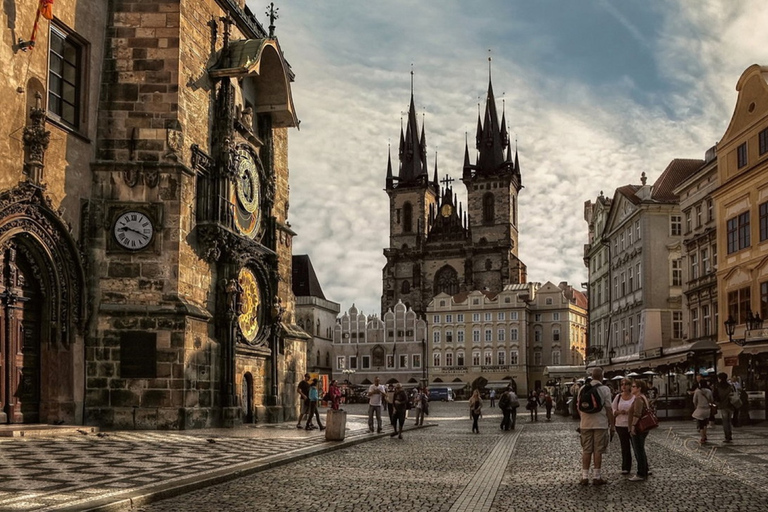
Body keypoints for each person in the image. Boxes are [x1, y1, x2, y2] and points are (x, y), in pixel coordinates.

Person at [577, 367, 615, 486]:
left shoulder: (583, 388)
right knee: (598, 450)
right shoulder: (605, 389)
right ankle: (597, 477)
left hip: (585, 424)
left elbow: (579, 406)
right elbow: (609, 408)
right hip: (600, 423)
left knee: (586, 450)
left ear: (592, 376)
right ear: (601, 376)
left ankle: (584, 477)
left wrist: (583, 418)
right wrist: (612, 424)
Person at [626, 379, 651, 481]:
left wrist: (632, 426)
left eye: (633, 386)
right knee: (640, 450)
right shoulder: (643, 398)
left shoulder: (638, 399)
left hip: (638, 428)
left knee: (639, 450)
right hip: (643, 428)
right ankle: (644, 470)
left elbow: (637, 414)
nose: (631, 388)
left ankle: (641, 473)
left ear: (639, 388)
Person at [612, 378, 635, 476]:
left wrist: (630, 412)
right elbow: (613, 410)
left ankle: (643, 466)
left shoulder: (634, 397)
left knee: (636, 446)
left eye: (626, 384)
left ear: (630, 386)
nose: (624, 386)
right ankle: (626, 467)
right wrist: (618, 412)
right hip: (620, 424)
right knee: (625, 447)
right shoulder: (618, 397)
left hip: (632, 425)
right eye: (622, 384)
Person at [714, 372, 735, 443]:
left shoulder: (718, 387)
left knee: (725, 421)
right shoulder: (730, 386)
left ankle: (727, 436)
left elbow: (715, 397)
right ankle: (730, 434)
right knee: (729, 420)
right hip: (731, 404)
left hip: (723, 405)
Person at [692, 380, 713, 444]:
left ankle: (702, 437)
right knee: (705, 423)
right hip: (707, 409)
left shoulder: (697, 391)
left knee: (700, 424)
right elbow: (711, 399)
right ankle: (705, 434)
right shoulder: (709, 391)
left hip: (700, 409)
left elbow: (694, 401)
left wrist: (696, 406)